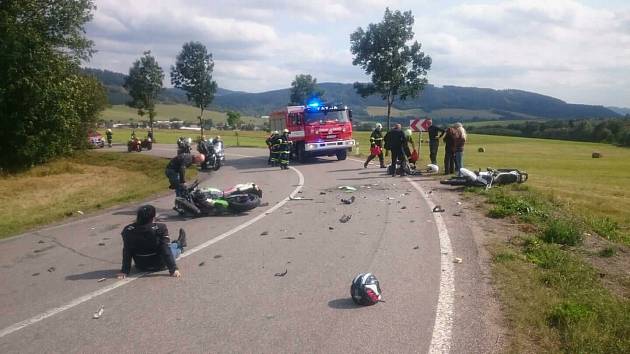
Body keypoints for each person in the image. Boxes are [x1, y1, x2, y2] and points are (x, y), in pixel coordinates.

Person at [117, 205, 187, 279]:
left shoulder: (128, 230)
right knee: (173, 248)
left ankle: (178, 242)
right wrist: (173, 269)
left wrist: (124, 271)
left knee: (167, 246)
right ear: (153, 217)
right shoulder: (160, 228)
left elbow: (127, 251)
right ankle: (180, 243)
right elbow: (165, 250)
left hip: (141, 266)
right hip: (160, 264)